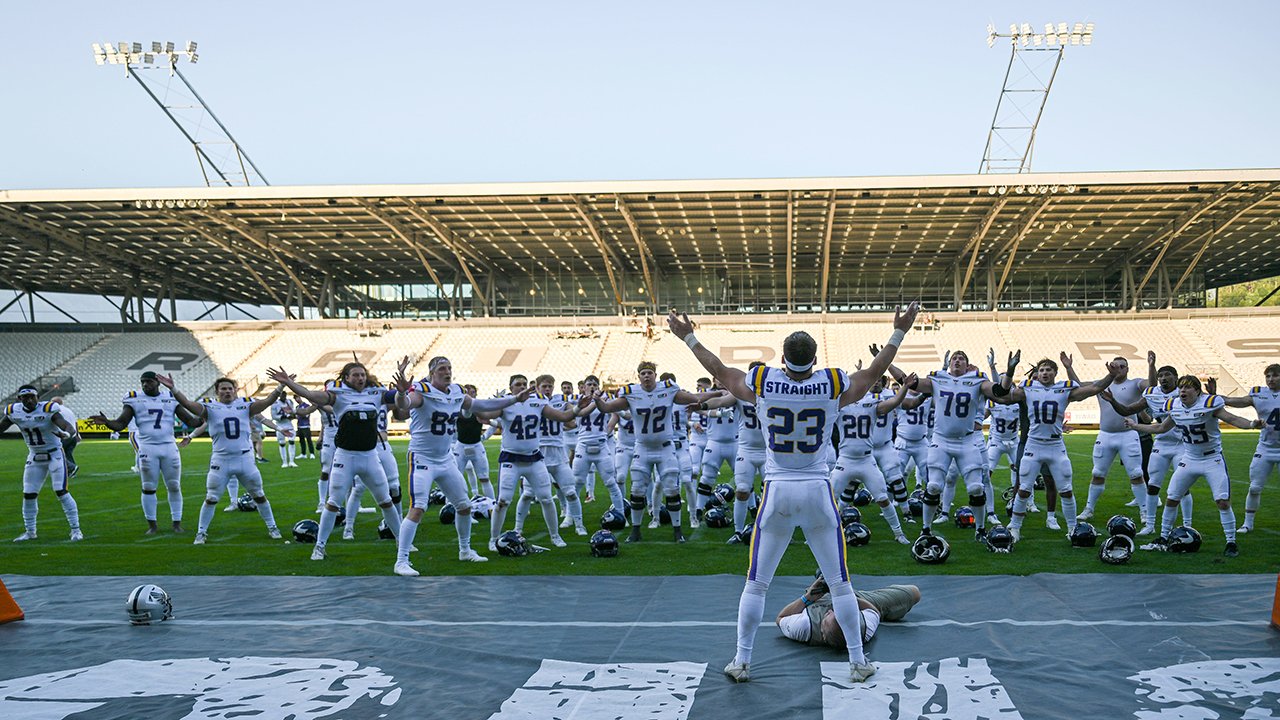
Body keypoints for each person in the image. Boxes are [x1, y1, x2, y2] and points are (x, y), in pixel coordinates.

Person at [668, 301, 919, 685]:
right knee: (840, 583)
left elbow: (718, 371)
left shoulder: (764, 379)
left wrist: (688, 337)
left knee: (756, 583)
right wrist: (898, 332)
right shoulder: (832, 380)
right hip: (818, 488)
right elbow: (871, 375)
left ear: (782, 358)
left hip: (778, 489)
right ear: (815, 359)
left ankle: (742, 660)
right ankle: (857, 661)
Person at [389, 356, 536, 575]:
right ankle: (401, 561)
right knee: (418, 507)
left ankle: (465, 550)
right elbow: (405, 406)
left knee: (464, 506)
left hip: (446, 457)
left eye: (449, 367)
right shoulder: (422, 389)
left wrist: (514, 400)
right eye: (441, 368)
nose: (447, 371)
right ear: (431, 373)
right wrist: (401, 392)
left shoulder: (457, 391)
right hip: (422, 457)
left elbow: (481, 405)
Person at [267, 361, 404, 561]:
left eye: (362, 374)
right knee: (333, 502)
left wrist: (401, 391)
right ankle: (320, 547)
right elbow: (311, 395)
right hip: (345, 456)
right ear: (346, 378)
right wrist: (288, 382)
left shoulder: (377, 392)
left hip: (370, 455)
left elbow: (401, 403)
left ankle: (403, 542)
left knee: (385, 501)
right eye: (355, 375)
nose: (360, 378)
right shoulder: (338, 394)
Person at [886, 350, 1018, 540]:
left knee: (976, 488)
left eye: (962, 358)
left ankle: (980, 529)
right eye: (955, 358)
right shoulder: (937, 379)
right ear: (949, 364)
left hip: (967, 440)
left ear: (967, 365)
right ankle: (926, 529)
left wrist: (1010, 372)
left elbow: (1000, 391)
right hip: (941, 440)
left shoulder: (977, 379)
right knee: (933, 486)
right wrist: (889, 362)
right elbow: (909, 381)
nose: (957, 360)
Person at [1128, 375, 1262, 557]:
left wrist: (1252, 424)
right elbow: (1160, 428)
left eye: (1188, 387)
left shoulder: (1209, 403)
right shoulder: (1174, 406)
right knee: (1172, 498)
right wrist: (1136, 426)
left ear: (1197, 391)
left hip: (1212, 459)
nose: (1183, 390)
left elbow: (1232, 418)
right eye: (1181, 387)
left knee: (1222, 501)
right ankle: (1163, 537)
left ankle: (1231, 542)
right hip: (1189, 458)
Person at [591, 362, 721, 543]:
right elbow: (606, 408)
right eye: (643, 373)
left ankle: (677, 531)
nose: (646, 376)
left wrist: (716, 393)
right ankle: (636, 530)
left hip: (665, 447)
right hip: (642, 447)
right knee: (637, 489)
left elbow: (693, 397)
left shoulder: (667, 389)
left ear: (655, 375)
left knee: (672, 488)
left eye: (649, 373)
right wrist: (597, 399)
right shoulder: (631, 393)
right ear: (638, 376)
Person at [1000, 354, 1122, 542]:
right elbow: (1004, 394)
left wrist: (1111, 376)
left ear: (1055, 373)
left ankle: (1073, 529)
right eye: (1042, 370)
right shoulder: (1028, 388)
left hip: (1056, 445)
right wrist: (1010, 371)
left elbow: (1094, 388)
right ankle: (1015, 528)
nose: (1045, 372)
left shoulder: (1063, 389)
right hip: (1033, 443)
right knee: (1024, 489)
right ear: (1037, 374)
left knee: (1065, 489)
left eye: (1049, 369)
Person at [160, 375, 284, 543]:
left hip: (244, 459)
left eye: (230, 388)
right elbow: (188, 404)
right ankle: (201, 532)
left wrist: (280, 387)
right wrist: (173, 389)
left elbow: (267, 401)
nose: (227, 391)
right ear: (217, 391)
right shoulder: (210, 407)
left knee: (259, 495)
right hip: (221, 459)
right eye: (223, 389)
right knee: (211, 498)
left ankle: (272, 527)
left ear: (235, 390)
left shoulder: (245, 404)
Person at [475, 373, 581, 550]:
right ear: (511, 388)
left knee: (547, 498)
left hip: (534, 458)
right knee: (503, 501)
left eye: (524, 383)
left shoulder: (538, 401)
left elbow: (562, 417)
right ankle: (493, 539)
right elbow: (486, 414)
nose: (522, 386)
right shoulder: (505, 403)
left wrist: (577, 410)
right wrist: (472, 406)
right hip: (511, 458)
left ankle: (555, 535)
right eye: (518, 384)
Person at [91, 371, 199, 534]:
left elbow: (191, 421)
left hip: (169, 446)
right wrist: (107, 423)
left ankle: (177, 523)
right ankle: (152, 525)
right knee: (148, 487)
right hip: (148, 446)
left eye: (148, 382)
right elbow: (121, 424)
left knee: (174, 486)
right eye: (142, 382)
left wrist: (206, 415)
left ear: (158, 383)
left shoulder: (170, 397)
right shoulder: (133, 398)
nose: (145, 385)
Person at [1099, 362, 1188, 535]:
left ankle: (1187, 523)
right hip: (1161, 443)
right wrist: (1112, 401)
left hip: (1183, 444)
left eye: (1167, 374)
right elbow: (1127, 410)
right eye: (1160, 375)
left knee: (1182, 487)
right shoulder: (1151, 394)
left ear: (1176, 378)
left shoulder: (1184, 393)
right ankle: (1150, 524)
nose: (1163, 378)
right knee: (1153, 484)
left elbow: (1205, 405)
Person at [829, 374, 915, 545]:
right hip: (845, 460)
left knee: (882, 498)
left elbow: (893, 403)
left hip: (866, 460)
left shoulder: (871, 404)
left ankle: (898, 533)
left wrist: (905, 387)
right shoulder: (839, 405)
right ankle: (821, 535)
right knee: (830, 500)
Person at [1078, 353, 1158, 525]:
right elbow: (1077, 386)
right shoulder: (1101, 384)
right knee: (1097, 473)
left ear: (1127, 369)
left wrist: (1151, 366)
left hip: (1128, 434)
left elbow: (1152, 385)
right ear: (1109, 368)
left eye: (1122, 366)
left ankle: (1145, 511)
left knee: (1136, 474)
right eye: (1115, 366)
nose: (1118, 369)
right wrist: (1069, 367)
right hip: (1105, 435)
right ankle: (1089, 508)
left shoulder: (1134, 383)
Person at [3, 386, 81, 541]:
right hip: (34, 456)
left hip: (55, 454)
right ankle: (30, 532)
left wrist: (65, 434)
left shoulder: (47, 408)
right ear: (20, 399)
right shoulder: (13, 411)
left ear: (38, 397)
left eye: (33, 396)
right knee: (29, 494)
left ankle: (76, 530)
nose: (30, 400)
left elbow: (67, 426)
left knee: (61, 491)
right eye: (26, 397)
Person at [517, 374, 587, 537]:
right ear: (537, 387)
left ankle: (579, 524)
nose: (547, 389)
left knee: (570, 491)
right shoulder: (530, 401)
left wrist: (566, 420)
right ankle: (518, 528)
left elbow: (572, 421)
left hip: (557, 452)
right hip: (537, 453)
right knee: (527, 494)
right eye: (544, 386)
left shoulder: (561, 400)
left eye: (550, 386)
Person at [776, 575, 922, 649]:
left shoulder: (804, 626)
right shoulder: (864, 629)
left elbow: (781, 617)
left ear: (822, 630)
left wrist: (807, 598)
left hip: (818, 600)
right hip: (856, 602)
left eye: (830, 614)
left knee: (822, 576)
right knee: (914, 593)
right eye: (833, 612)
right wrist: (846, 595)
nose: (831, 610)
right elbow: (873, 610)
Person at [1220, 364, 1280, 534]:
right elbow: (1234, 401)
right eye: (1268, 376)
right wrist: (1213, 395)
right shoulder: (1259, 394)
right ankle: (1248, 523)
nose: (1270, 379)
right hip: (1266, 448)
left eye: (1275, 375)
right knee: (1254, 487)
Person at [572, 375, 626, 515]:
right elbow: (578, 414)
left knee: (611, 483)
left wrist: (608, 428)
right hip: (583, 445)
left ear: (598, 387)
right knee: (577, 483)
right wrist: (596, 402)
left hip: (601, 445)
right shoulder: (578, 401)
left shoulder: (605, 400)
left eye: (595, 384)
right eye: (589, 384)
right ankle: (571, 517)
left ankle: (620, 515)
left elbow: (622, 415)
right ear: (583, 387)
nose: (592, 386)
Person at [454, 384, 496, 498]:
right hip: (460, 446)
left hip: (477, 445)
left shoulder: (480, 408)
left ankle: (492, 505)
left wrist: (485, 435)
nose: (469, 394)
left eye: (472, 392)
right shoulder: (457, 408)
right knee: (455, 478)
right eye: (467, 392)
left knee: (484, 478)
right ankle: (452, 506)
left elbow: (495, 424)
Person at [49, 397, 81, 478]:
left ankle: (71, 467)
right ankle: (71, 472)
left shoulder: (56, 411)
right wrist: (77, 434)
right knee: (68, 454)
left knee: (55, 453)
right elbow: (76, 423)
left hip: (63, 435)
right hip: (72, 436)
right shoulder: (69, 410)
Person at [271, 394, 299, 467]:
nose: (284, 397)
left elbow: (293, 411)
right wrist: (284, 416)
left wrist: (293, 415)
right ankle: (284, 462)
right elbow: (274, 416)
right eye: (282, 396)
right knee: (282, 443)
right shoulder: (275, 404)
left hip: (289, 424)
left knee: (292, 441)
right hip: (280, 425)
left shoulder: (289, 402)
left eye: (285, 395)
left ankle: (292, 461)